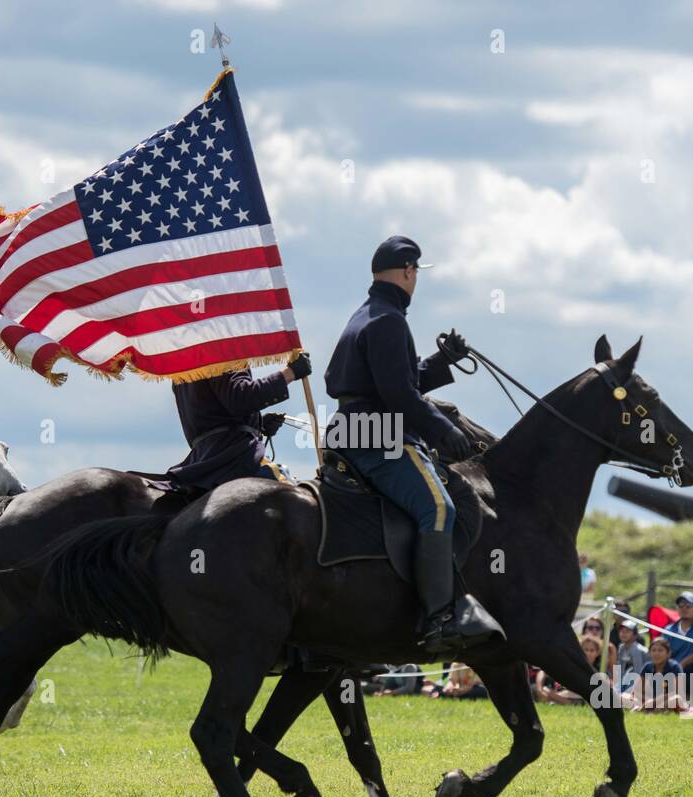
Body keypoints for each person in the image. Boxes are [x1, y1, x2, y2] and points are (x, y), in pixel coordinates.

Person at [324, 235, 503, 655]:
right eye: (416, 273)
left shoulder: (366, 314)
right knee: (438, 507)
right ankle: (440, 617)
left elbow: (393, 382)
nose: (416, 280)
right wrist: (446, 431)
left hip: (353, 429)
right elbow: (400, 396)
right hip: (378, 435)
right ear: (408, 271)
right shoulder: (389, 321)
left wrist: (441, 362)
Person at [165, 354, 311, 492]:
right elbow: (240, 398)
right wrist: (291, 372)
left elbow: (211, 413)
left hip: (203, 460)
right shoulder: (222, 348)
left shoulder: (184, 362)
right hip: (232, 456)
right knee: (296, 498)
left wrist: (257, 424)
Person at [633, 636, 693, 714]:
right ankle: (649, 709)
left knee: (677, 699)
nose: (656, 653)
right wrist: (647, 701)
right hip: (649, 700)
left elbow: (678, 692)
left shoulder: (675, 667)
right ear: (649, 653)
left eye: (660, 650)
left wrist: (654, 702)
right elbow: (636, 691)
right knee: (623, 696)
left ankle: (652, 711)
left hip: (667, 700)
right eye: (653, 650)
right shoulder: (647, 667)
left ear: (668, 654)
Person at [613, 619, 651, 692]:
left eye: (627, 631)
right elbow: (621, 668)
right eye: (622, 631)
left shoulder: (637, 650)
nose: (623, 634)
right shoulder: (621, 647)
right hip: (627, 681)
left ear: (635, 635)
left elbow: (638, 671)